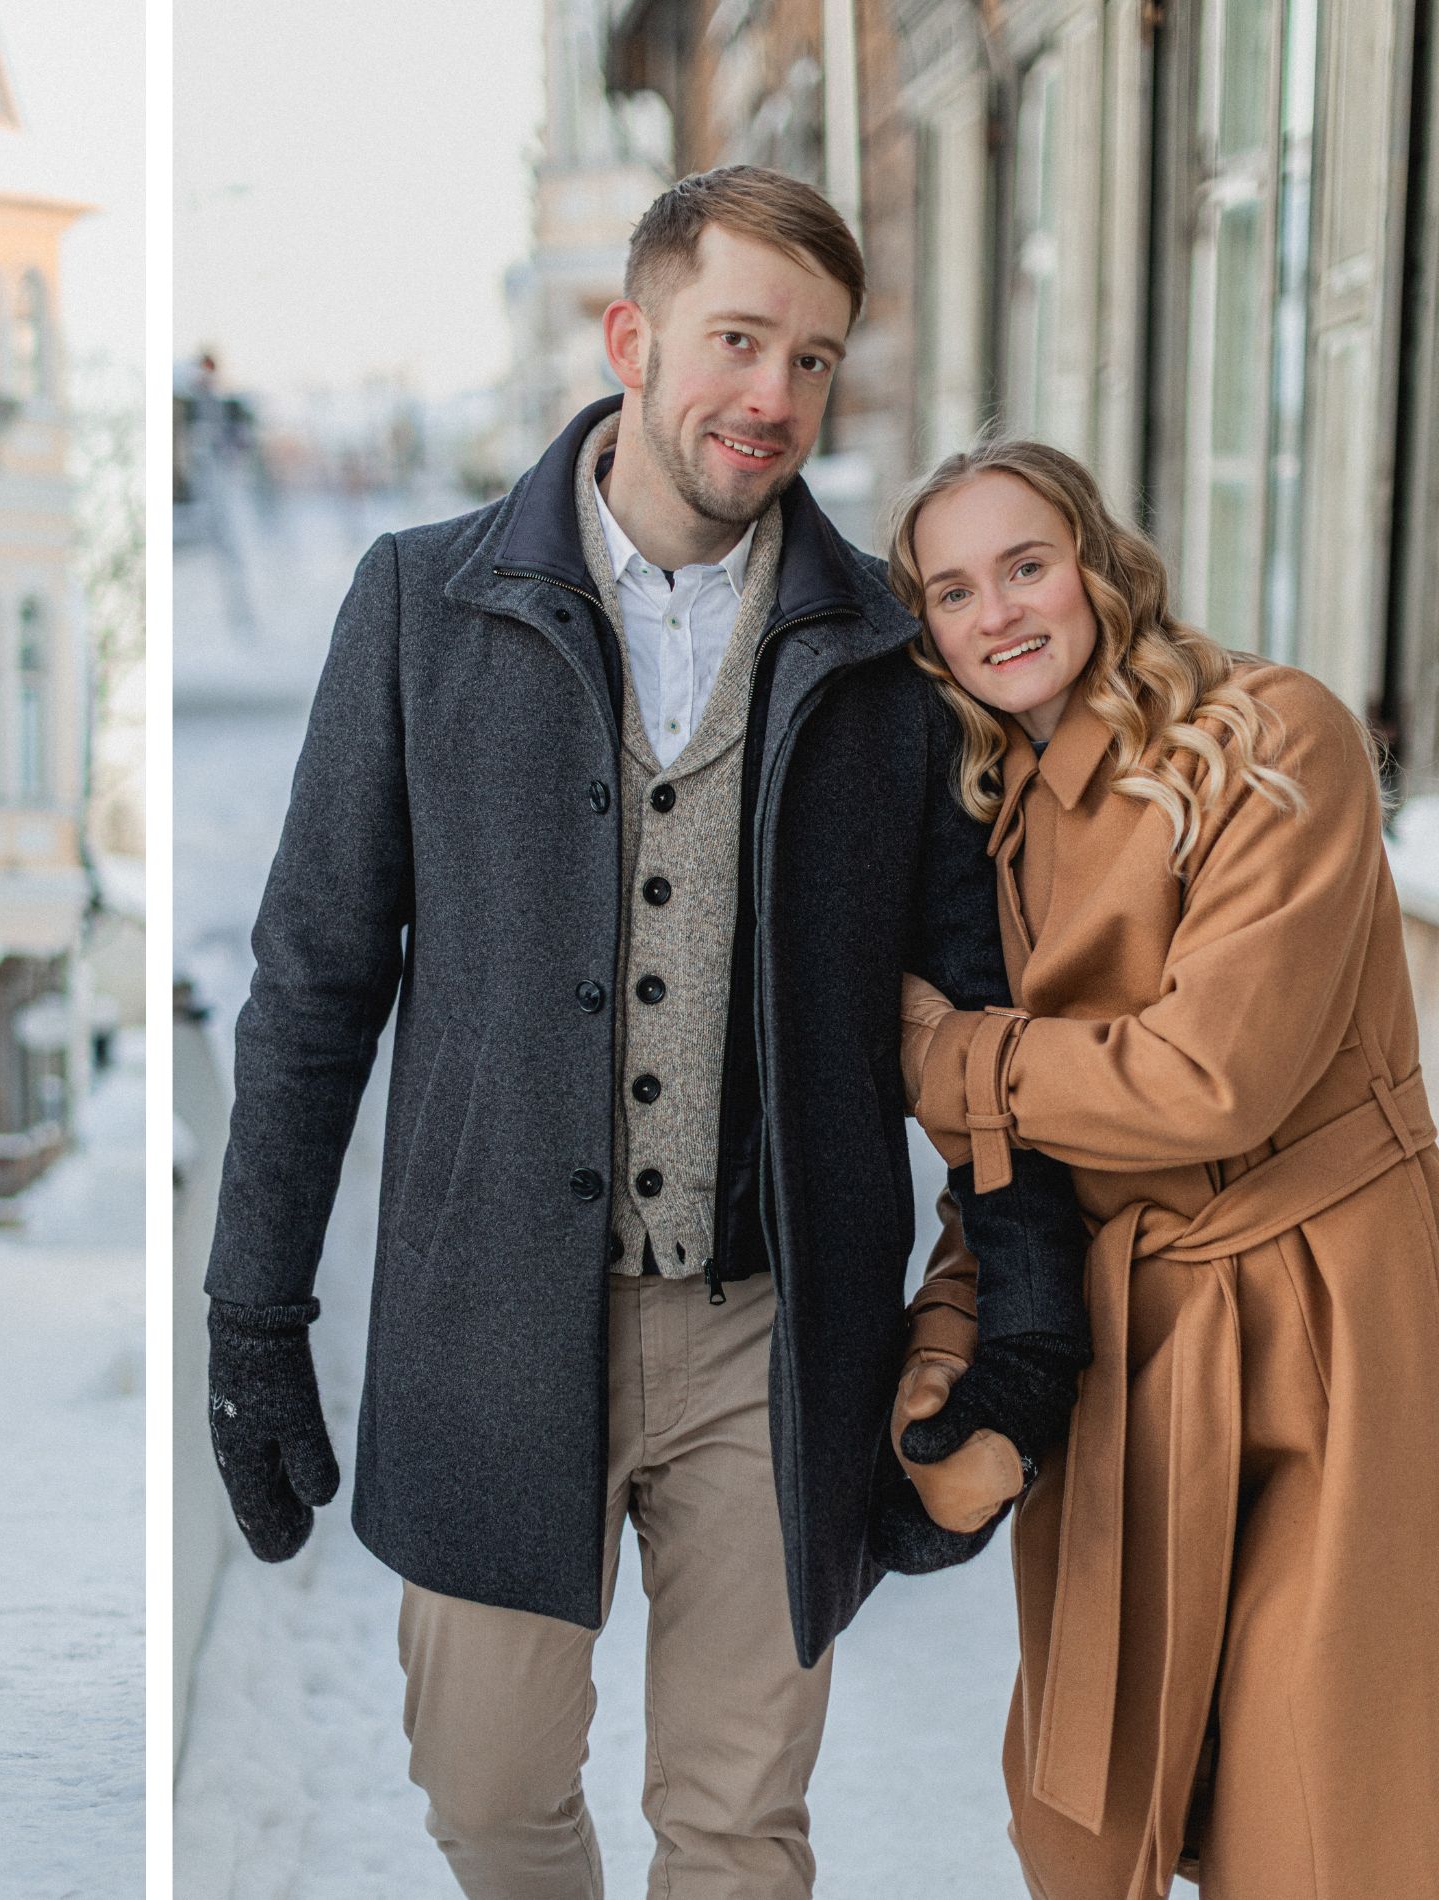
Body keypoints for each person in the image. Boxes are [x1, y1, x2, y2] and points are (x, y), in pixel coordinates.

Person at [203, 164, 1092, 1899]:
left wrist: (1023, 1324)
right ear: (632, 337)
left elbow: (987, 1017)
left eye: (816, 360)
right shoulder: (417, 608)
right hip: (486, 1332)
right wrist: (255, 1313)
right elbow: (311, 989)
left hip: (771, 1342)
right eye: (739, 340)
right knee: (484, 1792)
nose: (774, 396)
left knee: (740, 1826)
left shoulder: (888, 663)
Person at [886, 439, 1439, 1899]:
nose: (999, 611)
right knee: (1091, 1820)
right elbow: (1015, 1166)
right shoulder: (983, 827)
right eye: (953, 590)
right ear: (925, 630)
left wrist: (946, 1057)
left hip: (1328, 1320)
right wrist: (953, 1340)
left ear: (1096, 563)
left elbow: (1212, 1078)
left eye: (1026, 564)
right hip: (1135, 1346)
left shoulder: (1273, 735)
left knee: (1316, 1805)